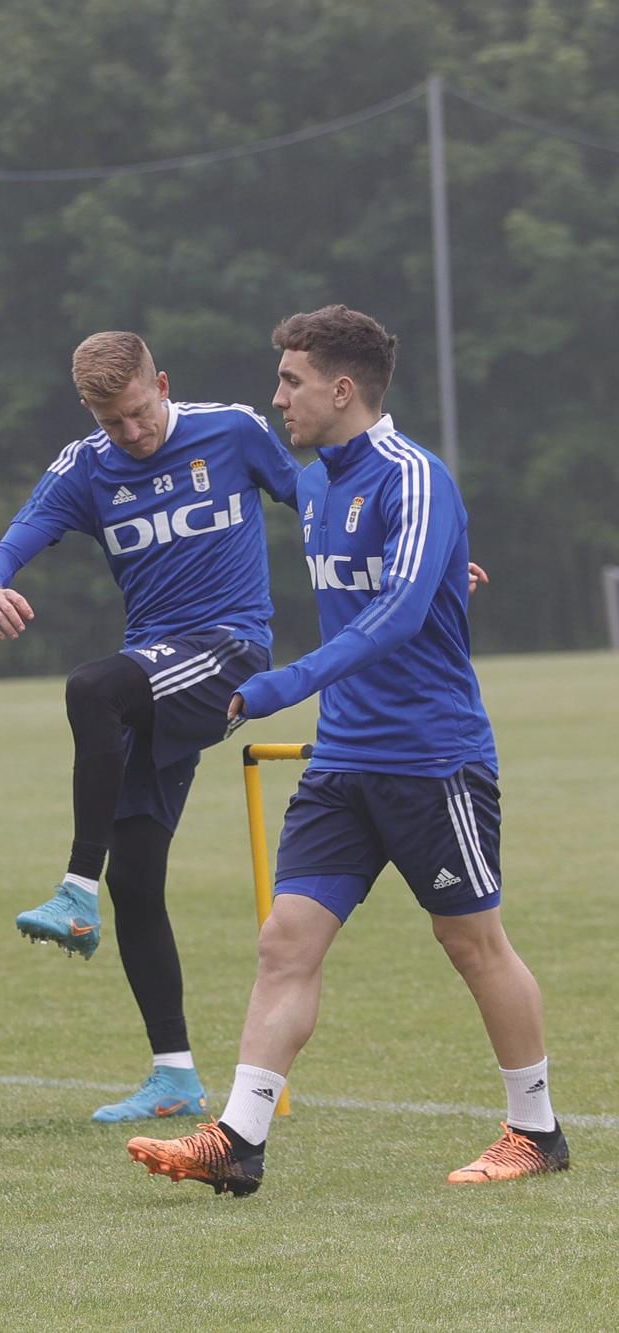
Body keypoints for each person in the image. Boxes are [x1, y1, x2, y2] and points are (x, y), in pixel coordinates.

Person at [127, 305, 568, 1193]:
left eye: (290, 380)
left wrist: (280, 685)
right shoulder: (319, 483)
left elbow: (400, 614)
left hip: (432, 756)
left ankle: (537, 1129)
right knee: (285, 940)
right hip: (342, 764)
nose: (277, 395)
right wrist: (452, 567)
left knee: (472, 940)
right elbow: (398, 580)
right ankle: (238, 1142)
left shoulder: (416, 474)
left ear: (340, 387)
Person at [0, 332, 300, 1122]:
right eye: (113, 421)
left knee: (91, 688)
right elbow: (14, 542)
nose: (133, 433)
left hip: (227, 650)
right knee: (139, 876)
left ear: (163, 383)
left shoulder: (231, 429)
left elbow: (319, 500)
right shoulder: (85, 465)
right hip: (154, 669)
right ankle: (176, 1076)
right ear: (90, 412)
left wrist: (411, 556)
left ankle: (73, 887)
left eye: (140, 413)